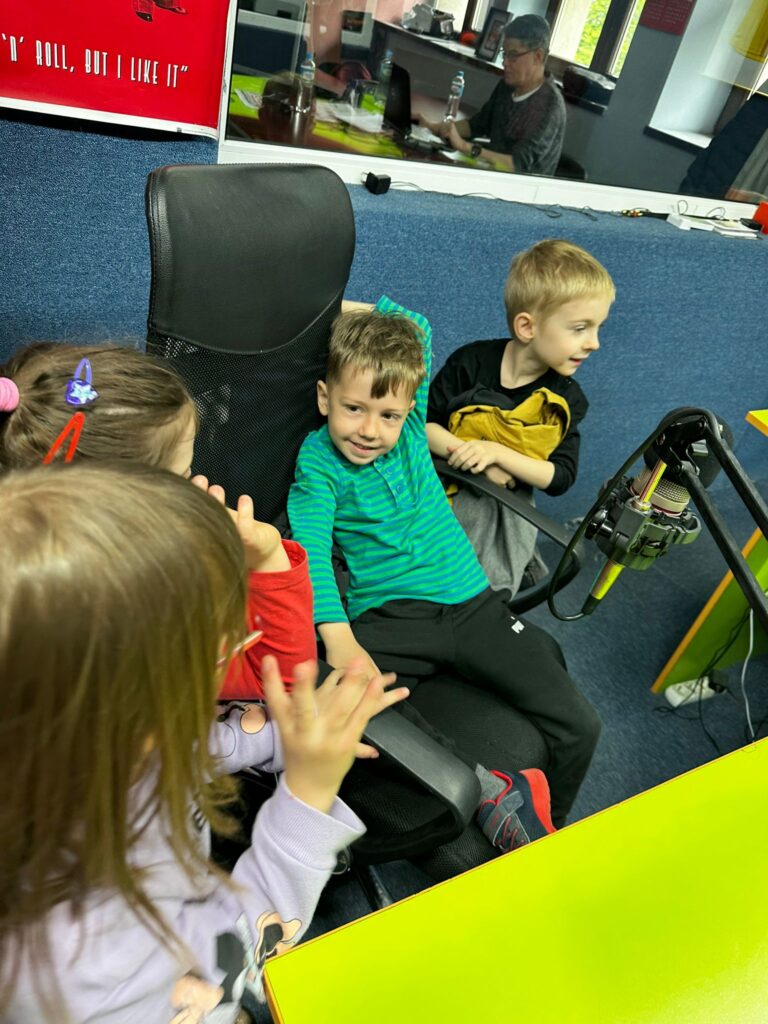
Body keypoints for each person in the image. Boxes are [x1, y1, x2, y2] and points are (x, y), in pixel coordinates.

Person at [0, 461, 409, 1022]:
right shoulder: (72, 961)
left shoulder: (72, 740)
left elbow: (191, 744)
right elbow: (225, 967)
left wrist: (290, 734)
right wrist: (307, 798)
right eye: (212, 653)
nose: (231, 653)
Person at [287, 296, 602, 828]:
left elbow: (416, 325)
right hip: (393, 614)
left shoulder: (411, 431)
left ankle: (550, 832)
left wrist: (333, 305)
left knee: (582, 725)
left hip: (472, 605)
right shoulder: (318, 461)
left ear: (408, 410)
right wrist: (339, 640)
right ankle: (485, 788)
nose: (370, 430)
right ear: (324, 397)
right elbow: (311, 553)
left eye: (388, 415)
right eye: (353, 408)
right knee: (345, 697)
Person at [0, 342, 314, 699]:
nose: (196, 485)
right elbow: (278, 683)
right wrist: (266, 560)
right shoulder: (137, 634)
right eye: (183, 475)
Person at [426, 239, 615, 596]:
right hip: (440, 482)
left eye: (598, 328)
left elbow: (560, 476)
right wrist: (477, 460)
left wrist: (498, 454)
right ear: (527, 327)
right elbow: (422, 426)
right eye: (580, 328)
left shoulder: (567, 399)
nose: (594, 343)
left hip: (504, 506)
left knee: (481, 581)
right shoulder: (470, 362)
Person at [418, 15, 566, 176]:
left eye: (513, 55)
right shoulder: (507, 86)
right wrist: (433, 127)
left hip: (518, 187)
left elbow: (517, 165)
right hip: (489, 174)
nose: (505, 62)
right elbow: (477, 125)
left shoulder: (549, 106)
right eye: (505, 54)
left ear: (538, 56)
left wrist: (463, 146)